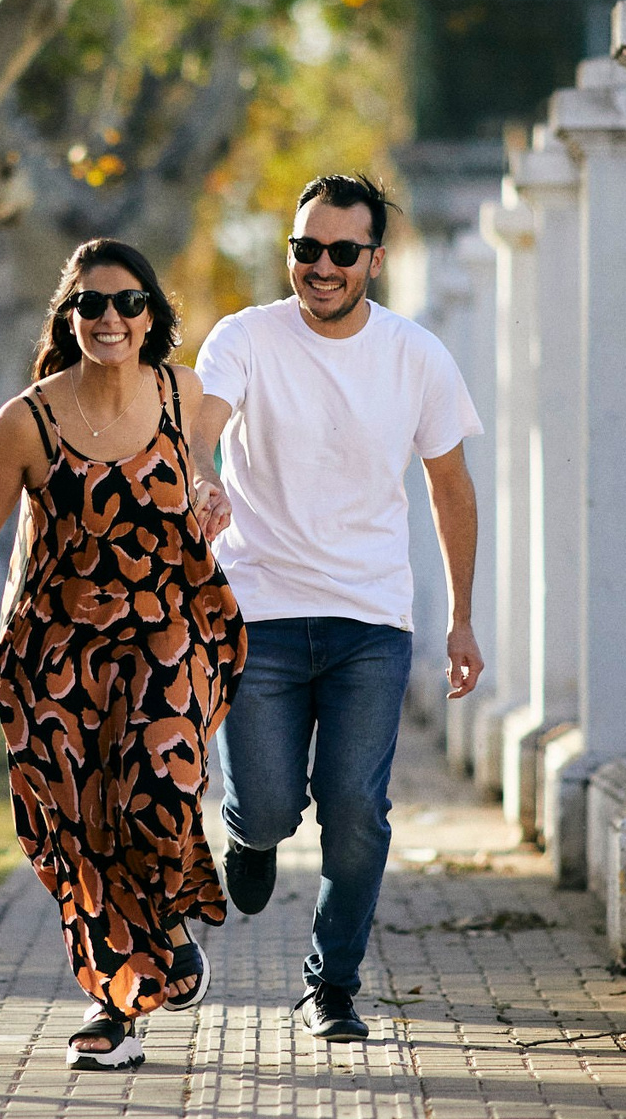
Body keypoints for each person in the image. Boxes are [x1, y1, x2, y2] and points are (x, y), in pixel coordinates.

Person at [0, 239, 240, 1071]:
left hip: (166, 634)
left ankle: (161, 930)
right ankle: (119, 1000)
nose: (110, 317)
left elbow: (200, 462)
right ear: (68, 316)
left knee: (158, 790)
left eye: (127, 302)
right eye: (91, 304)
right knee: (83, 826)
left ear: (151, 316)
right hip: (55, 653)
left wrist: (208, 487)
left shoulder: (181, 391)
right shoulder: (27, 421)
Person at [188, 173, 484, 1042]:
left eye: (342, 251)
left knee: (355, 810)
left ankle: (331, 985)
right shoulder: (245, 336)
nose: (321, 266)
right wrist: (200, 473)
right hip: (258, 612)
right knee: (269, 806)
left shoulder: (416, 355)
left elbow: (451, 488)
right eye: (305, 248)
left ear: (375, 260)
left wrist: (461, 617)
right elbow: (202, 422)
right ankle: (249, 835)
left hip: (370, 620)